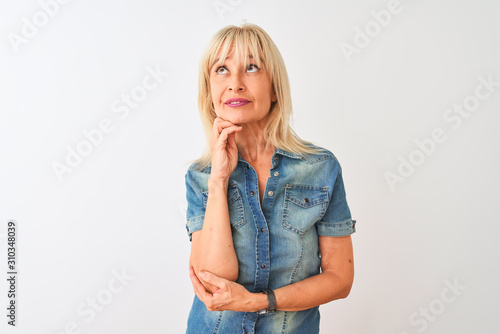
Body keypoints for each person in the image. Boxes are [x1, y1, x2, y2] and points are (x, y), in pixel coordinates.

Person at [185, 22, 357, 334]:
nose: (235, 84)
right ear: (209, 91)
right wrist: (219, 179)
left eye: (251, 68)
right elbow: (213, 282)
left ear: (275, 87)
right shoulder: (201, 177)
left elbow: (339, 279)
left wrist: (258, 301)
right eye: (221, 70)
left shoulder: (321, 168)